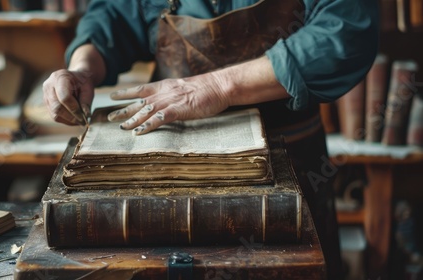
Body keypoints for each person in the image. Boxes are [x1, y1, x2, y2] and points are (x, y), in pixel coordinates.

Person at [43, 0, 379, 279]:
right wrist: (82, 68)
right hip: (171, 163)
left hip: (287, 160)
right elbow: (115, 16)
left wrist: (218, 86)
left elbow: (346, 33)